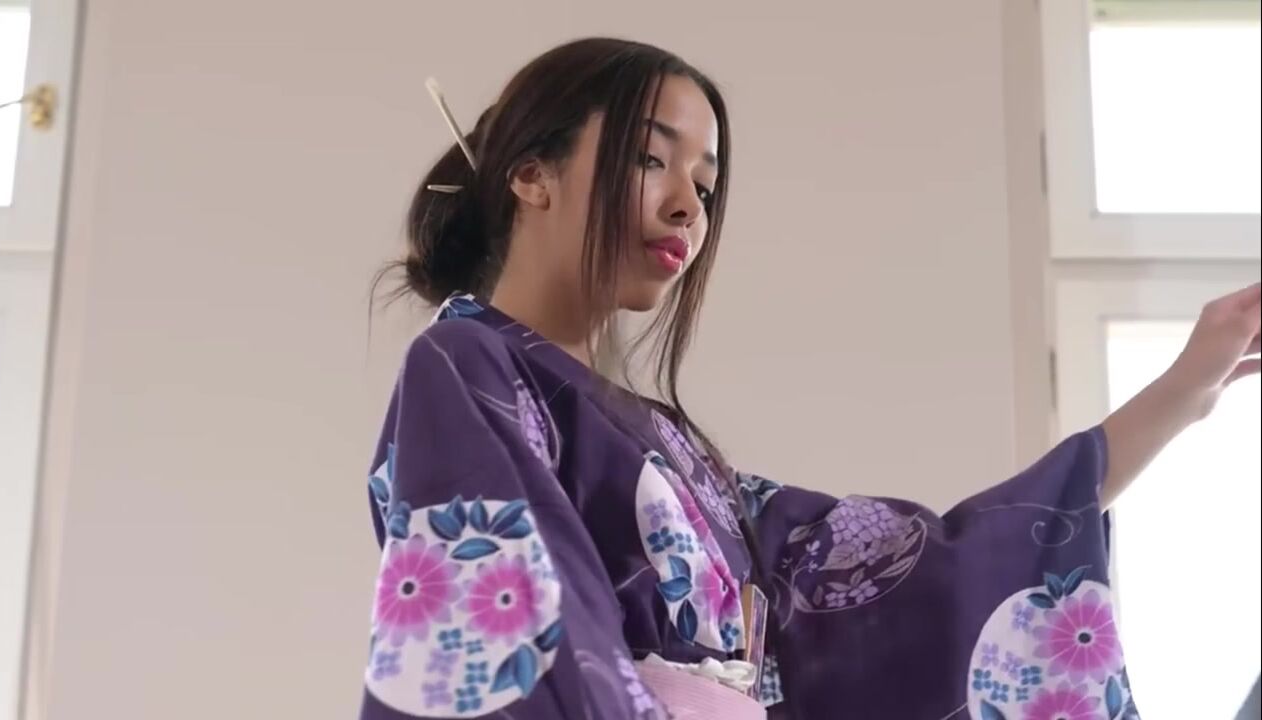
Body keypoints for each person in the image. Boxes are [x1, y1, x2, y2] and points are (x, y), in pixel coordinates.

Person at [359, 37, 1260, 720]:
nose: (687, 204)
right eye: (650, 158)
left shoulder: (669, 449)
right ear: (531, 174)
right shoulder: (466, 365)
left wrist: (1181, 395)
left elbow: (910, 583)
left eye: (707, 185)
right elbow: (518, 635)